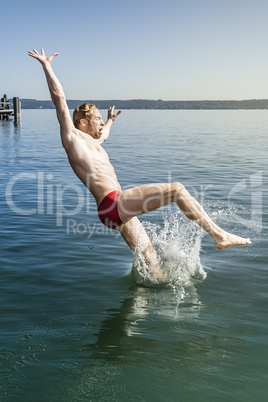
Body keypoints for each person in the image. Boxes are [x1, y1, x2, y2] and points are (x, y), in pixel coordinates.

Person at [28, 48, 251, 283]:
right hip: (113, 203)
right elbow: (58, 98)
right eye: (97, 118)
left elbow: (104, 137)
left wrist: (111, 121)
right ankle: (219, 235)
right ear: (82, 122)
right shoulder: (72, 138)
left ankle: (140, 309)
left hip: (113, 212)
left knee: (150, 259)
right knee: (177, 190)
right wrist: (47, 65)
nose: (101, 122)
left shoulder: (92, 142)